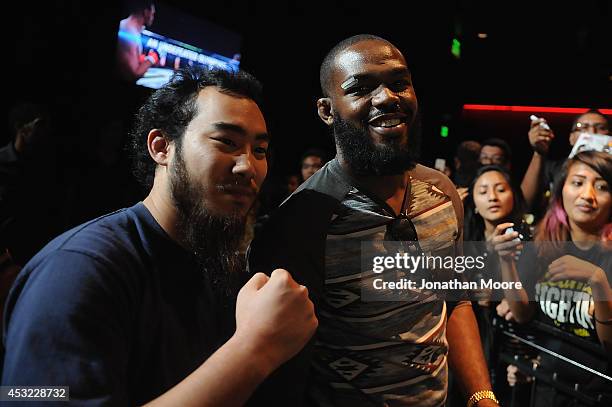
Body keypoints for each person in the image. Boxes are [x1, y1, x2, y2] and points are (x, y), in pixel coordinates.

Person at [2, 67, 317, 405]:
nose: (248, 167)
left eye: (259, 151)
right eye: (226, 142)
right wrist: (256, 348)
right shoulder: (78, 270)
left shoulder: (215, 264)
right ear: (162, 146)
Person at [249, 34, 497, 407]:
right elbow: (281, 369)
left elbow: (455, 299)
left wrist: (482, 397)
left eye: (399, 84)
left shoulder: (442, 193)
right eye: (361, 88)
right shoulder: (301, 223)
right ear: (326, 110)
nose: (386, 98)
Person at [491, 151, 612, 406]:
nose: (587, 195)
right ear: (560, 191)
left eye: (601, 186)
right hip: (546, 388)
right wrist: (506, 262)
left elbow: (609, 344)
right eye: (577, 183)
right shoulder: (544, 245)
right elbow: (523, 313)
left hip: (596, 394)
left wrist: (598, 280)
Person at [521, 109, 610, 213]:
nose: (592, 132)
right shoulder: (556, 168)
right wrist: (538, 153)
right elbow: (524, 205)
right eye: (583, 127)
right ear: (571, 138)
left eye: (601, 128)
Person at [116, 1, 159, 82]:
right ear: (146, 13)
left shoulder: (132, 29)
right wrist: (152, 58)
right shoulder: (129, 32)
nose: (153, 17)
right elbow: (133, 74)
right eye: (152, 14)